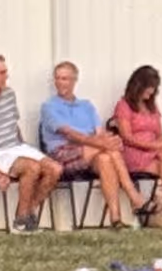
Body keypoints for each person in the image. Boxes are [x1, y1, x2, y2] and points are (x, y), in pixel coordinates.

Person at [0, 53, 62, 231]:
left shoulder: (9, 94)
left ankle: (26, 212)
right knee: (32, 167)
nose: (6, 76)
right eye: (1, 72)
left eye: (5, 72)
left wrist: (24, 148)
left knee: (55, 169)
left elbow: (14, 125)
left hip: (15, 148)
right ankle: (22, 222)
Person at [38, 60, 136, 226]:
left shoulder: (86, 106)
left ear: (74, 80)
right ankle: (134, 197)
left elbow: (99, 133)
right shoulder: (49, 107)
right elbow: (69, 135)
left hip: (91, 153)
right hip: (62, 155)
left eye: (65, 79)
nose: (60, 82)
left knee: (106, 158)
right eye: (58, 78)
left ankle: (115, 218)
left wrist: (108, 141)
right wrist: (103, 144)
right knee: (108, 149)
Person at [106, 66, 162, 226]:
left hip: (154, 152)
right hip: (134, 152)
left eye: (154, 88)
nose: (152, 92)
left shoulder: (152, 107)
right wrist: (153, 145)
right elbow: (126, 137)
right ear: (138, 85)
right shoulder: (124, 105)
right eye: (149, 87)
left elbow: (160, 134)